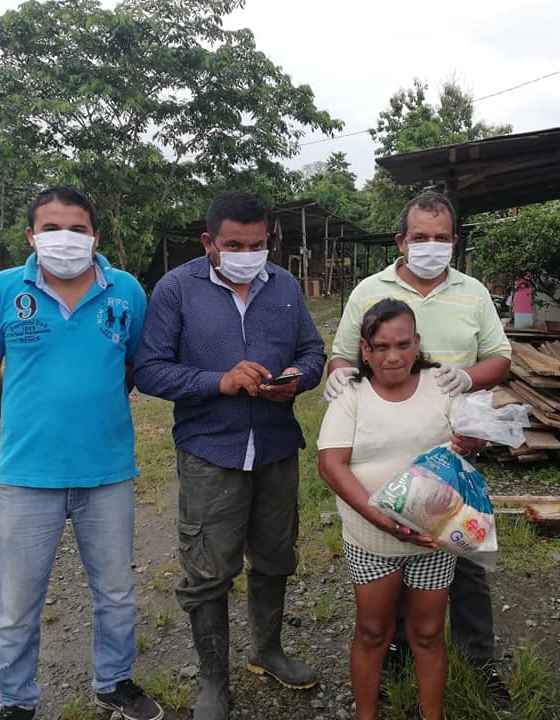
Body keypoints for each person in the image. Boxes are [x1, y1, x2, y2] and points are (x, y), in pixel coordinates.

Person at [0, 186, 162, 720]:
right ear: (31, 236)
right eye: (51, 228)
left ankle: (114, 681)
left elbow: (132, 365)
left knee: (116, 592)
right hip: (25, 476)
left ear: (95, 235)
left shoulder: (126, 292)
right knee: (17, 603)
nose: (65, 239)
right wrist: (21, 419)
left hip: (107, 471)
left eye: (77, 228)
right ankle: (16, 700)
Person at [133, 191, 325, 720]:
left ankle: (267, 652)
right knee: (208, 570)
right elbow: (149, 369)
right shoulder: (177, 288)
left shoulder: (284, 285)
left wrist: (297, 378)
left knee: (275, 557)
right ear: (209, 243)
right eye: (234, 245)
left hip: (276, 447)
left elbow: (313, 351)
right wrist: (218, 381)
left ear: (270, 241)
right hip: (210, 452)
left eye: (257, 244)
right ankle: (213, 678)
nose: (247, 254)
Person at [326, 191, 512, 705]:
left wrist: (467, 377)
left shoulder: (473, 292)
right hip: (384, 449)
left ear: (455, 240)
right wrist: (339, 377)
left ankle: (478, 660)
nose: (431, 245)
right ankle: (396, 655)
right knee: (391, 574)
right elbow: (343, 355)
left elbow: (500, 357)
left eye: (441, 237)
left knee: (465, 560)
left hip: (452, 451)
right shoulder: (369, 291)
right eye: (421, 237)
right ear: (401, 241)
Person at [319, 298, 486, 720]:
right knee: (373, 631)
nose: (392, 357)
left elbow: (470, 439)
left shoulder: (441, 386)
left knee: (427, 633)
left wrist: (472, 441)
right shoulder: (351, 394)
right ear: (364, 349)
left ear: (417, 343)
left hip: (432, 539)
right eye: (381, 346)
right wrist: (380, 518)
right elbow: (331, 464)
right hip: (371, 539)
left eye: (402, 344)